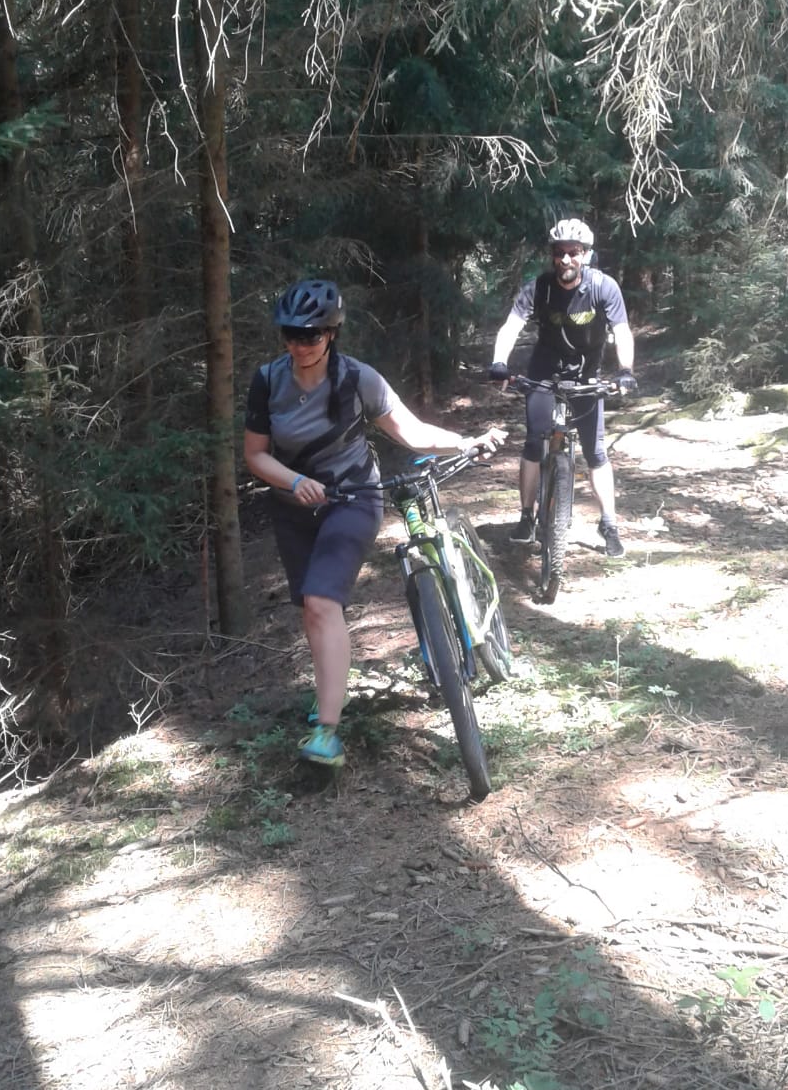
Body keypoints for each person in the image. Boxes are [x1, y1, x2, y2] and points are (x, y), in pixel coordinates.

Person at [244, 277, 505, 769]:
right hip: (292, 506)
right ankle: (332, 688)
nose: (299, 344)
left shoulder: (358, 378)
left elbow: (411, 432)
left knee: (322, 601)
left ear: (331, 333)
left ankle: (327, 732)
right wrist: (294, 480)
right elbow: (255, 455)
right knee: (313, 611)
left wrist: (464, 441)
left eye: (310, 335)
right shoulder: (268, 380)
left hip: (353, 499)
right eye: (291, 334)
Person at [488, 218, 636, 558]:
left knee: (595, 452)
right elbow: (511, 326)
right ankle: (527, 516)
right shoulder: (540, 287)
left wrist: (625, 370)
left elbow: (622, 331)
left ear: (585, 255)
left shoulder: (603, 287)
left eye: (574, 252)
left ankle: (609, 524)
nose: (566, 259)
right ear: (552, 255)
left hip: (586, 374)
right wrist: (499, 362)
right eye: (559, 252)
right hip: (544, 370)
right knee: (533, 443)